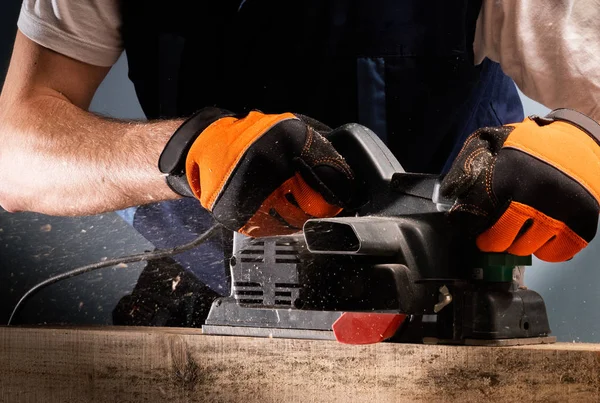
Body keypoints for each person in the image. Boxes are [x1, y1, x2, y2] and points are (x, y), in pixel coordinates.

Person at [1, 1, 599, 325]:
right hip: (205, 284)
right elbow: (16, 150)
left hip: (432, 308)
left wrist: (583, 140)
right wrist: (185, 152)